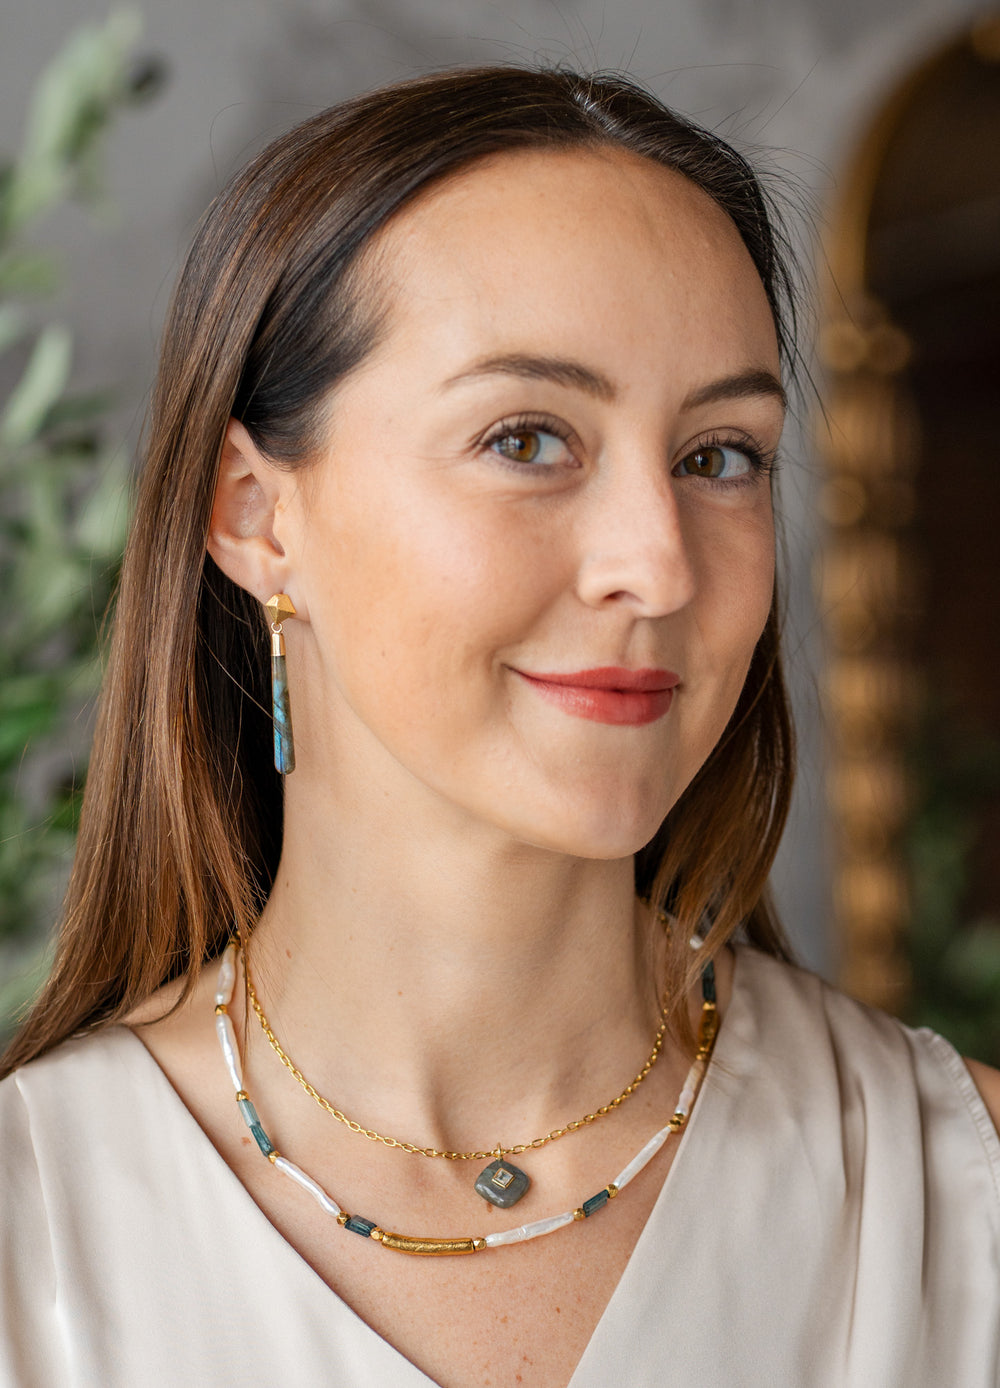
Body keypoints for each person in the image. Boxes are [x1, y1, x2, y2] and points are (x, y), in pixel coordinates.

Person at [1, 65, 997, 1388]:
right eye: (528, 439)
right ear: (255, 515)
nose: (658, 566)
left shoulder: (964, 1199)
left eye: (719, 456)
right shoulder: (32, 1235)